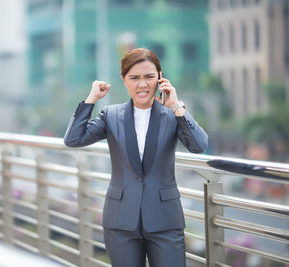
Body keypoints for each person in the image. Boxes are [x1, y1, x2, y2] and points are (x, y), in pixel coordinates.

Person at [64, 48, 208, 267]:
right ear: (124, 80)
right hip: (121, 222)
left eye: (149, 77)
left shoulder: (172, 114)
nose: (142, 84)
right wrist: (91, 99)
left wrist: (177, 106)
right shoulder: (111, 115)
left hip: (165, 221)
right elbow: (73, 139)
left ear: (160, 78)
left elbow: (199, 146)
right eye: (134, 78)